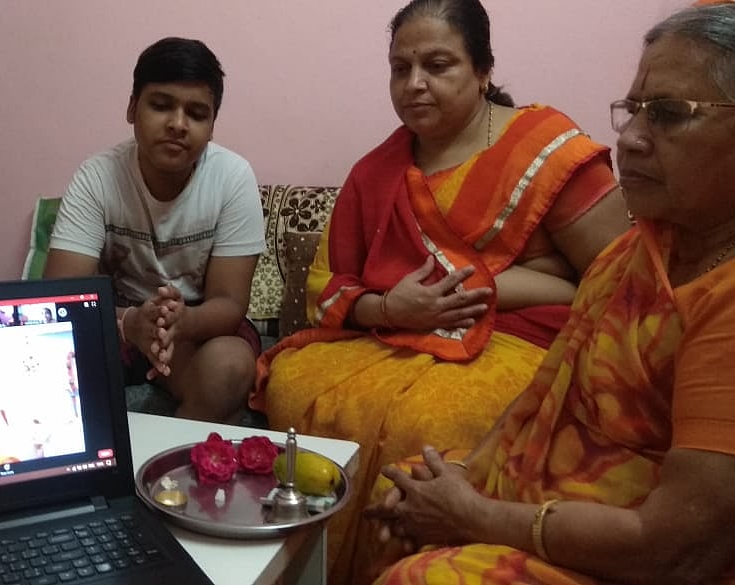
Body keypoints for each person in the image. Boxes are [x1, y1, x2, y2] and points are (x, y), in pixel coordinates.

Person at [248, 0, 631, 581]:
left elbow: (617, 281)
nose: (414, 84)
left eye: (437, 64)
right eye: (400, 68)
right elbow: (329, 289)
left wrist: (493, 284)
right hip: (398, 329)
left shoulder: (545, 148)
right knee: (297, 381)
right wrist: (390, 306)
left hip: (520, 340)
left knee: (431, 419)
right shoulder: (378, 170)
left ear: (482, 71)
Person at [362, 4, 735, 583]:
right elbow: (542, 400)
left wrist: (474, 514)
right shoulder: (636, 254)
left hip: (635, 547)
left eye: (667, 114)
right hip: (553, 494)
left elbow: (677, 550)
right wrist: (461, 479)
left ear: (482, 71)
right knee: (404, 488)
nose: (630, 139)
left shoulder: (724, 298)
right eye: (633, 110)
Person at [44, 37, 265, 424]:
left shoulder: (232, 177)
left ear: (212, 126)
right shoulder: (97, 177)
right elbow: (61, 297)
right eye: (161, 105)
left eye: (196, 113)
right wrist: (130, 324)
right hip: (112, 321)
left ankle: (169, 465)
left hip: (197, 324)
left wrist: (182, 322)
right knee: (46, 357)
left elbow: (229, 303)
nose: (178, 125)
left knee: (230, 365)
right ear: (132, 108)